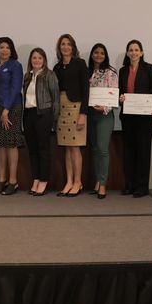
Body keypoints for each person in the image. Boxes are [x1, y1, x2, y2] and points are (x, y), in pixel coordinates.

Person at [118, 40, 152, 198]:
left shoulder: (149, 69)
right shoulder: (122, 71)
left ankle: (142, 187)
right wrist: (120, 98)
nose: (134, 52)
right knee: (129, 151)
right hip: (128, 117)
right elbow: (119, 93)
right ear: (128, 53)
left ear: (141, 53)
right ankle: (130, 185)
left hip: (144, 118)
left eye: (137, 50)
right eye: (131, 50)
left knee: (143, 152)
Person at [53, 34, 89, 197]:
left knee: (75, 148)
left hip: (76, 108)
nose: (65, 47)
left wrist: (83, 114)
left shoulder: (80, 64)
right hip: (62, 109)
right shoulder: (57, 67)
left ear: (73, 47)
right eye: (62, 44)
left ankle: (77, 182)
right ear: (59, 48)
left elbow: (86, 91)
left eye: (68, 44)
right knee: (66, 148)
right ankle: (69, 181)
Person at [0, 37, 25, 195]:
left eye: (7, 47)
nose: (4, 50)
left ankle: (13, 181)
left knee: (11, 144)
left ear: (12, 50)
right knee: (0, 144)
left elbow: (16, 87)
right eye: (1, 47)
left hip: (12, 108)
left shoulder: (16, 65)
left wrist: (6, 110)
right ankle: (2, 179)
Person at [23, 48, 59, 196]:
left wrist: (54, 120)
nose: (36, 61)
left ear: (44, 60)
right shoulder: (27, 76)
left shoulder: (49, 75)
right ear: (30, 60)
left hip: (43, 114)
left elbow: (56, 99)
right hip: (29, 114)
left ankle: (44, 180)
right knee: (32, 150)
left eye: (39, 58)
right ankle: (36, 178)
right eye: (34, 58)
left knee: (43, 149)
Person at [87, 43, 118, 199]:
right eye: (96, 52)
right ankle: (98, 180)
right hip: (90, 114)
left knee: (103, 149)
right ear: (92, 54)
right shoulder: (86, 71)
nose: (98, 55)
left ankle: (103, 184)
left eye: (102, 53)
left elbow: (113, 96)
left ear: (105, 56)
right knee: (94, 148)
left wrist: (104, 107)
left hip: (105, 115)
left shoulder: (111, 72)